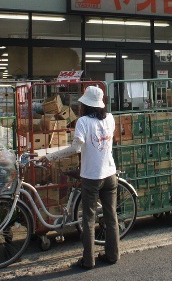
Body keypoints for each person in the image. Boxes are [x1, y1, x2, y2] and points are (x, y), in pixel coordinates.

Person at [46, 85, 119, 269]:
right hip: (110, 174)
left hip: (91, 176)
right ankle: (113, 255)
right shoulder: (110, 118)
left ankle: (88, 260)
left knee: (88, 218)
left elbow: (76, 148)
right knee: (111, 217)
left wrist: (50, 155)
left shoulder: (83, 122)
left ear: (86, 105)